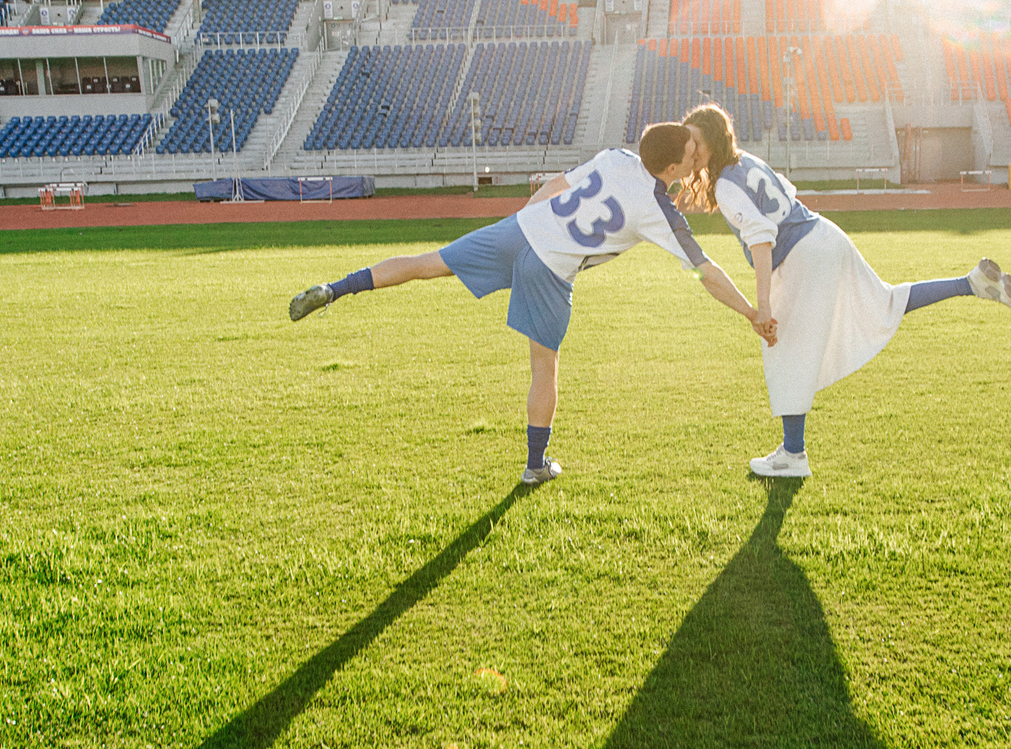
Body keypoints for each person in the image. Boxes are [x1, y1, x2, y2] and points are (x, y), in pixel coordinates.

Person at [289, 122, 774, 485]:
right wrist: (752, 310)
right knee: (544, 367)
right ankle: (535, 466)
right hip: (550, 269)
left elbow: (552, 187)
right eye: (691, 156)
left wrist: (521, 227)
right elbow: (704, 271)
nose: (695, 161)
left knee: (426, 262)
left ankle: (335, 289)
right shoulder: (658, 208)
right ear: (671, 169)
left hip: (520, 229)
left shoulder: (614, 156)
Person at [676, 102, 1011, 479]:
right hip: (825, 234)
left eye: (694, 141)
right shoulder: (747, 162)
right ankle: (970, 283)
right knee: (884, 301)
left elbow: (761, 239)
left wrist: (762, 305)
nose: (689, 149)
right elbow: (785, 199)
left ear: (710, 139)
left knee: (783, 348)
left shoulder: (725, 184)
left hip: (802, 254)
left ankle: (793, 455)